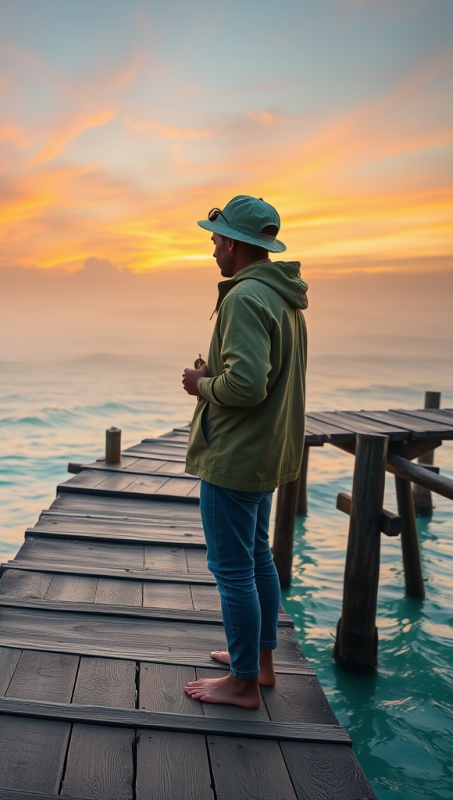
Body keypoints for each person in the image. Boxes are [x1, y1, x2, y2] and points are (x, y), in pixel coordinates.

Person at [181, 195, 308, 708]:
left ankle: (242, 684)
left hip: (235, 455)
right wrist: (218, 376)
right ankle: (260, 665)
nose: (212, 247)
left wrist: (201, 384)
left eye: (215, 238)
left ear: (232, 241)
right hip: (267, 452)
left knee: (233, 570)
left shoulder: (243, 298)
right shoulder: (283, 296)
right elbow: (268, 376)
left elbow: (248, 386)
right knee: (258, 560)